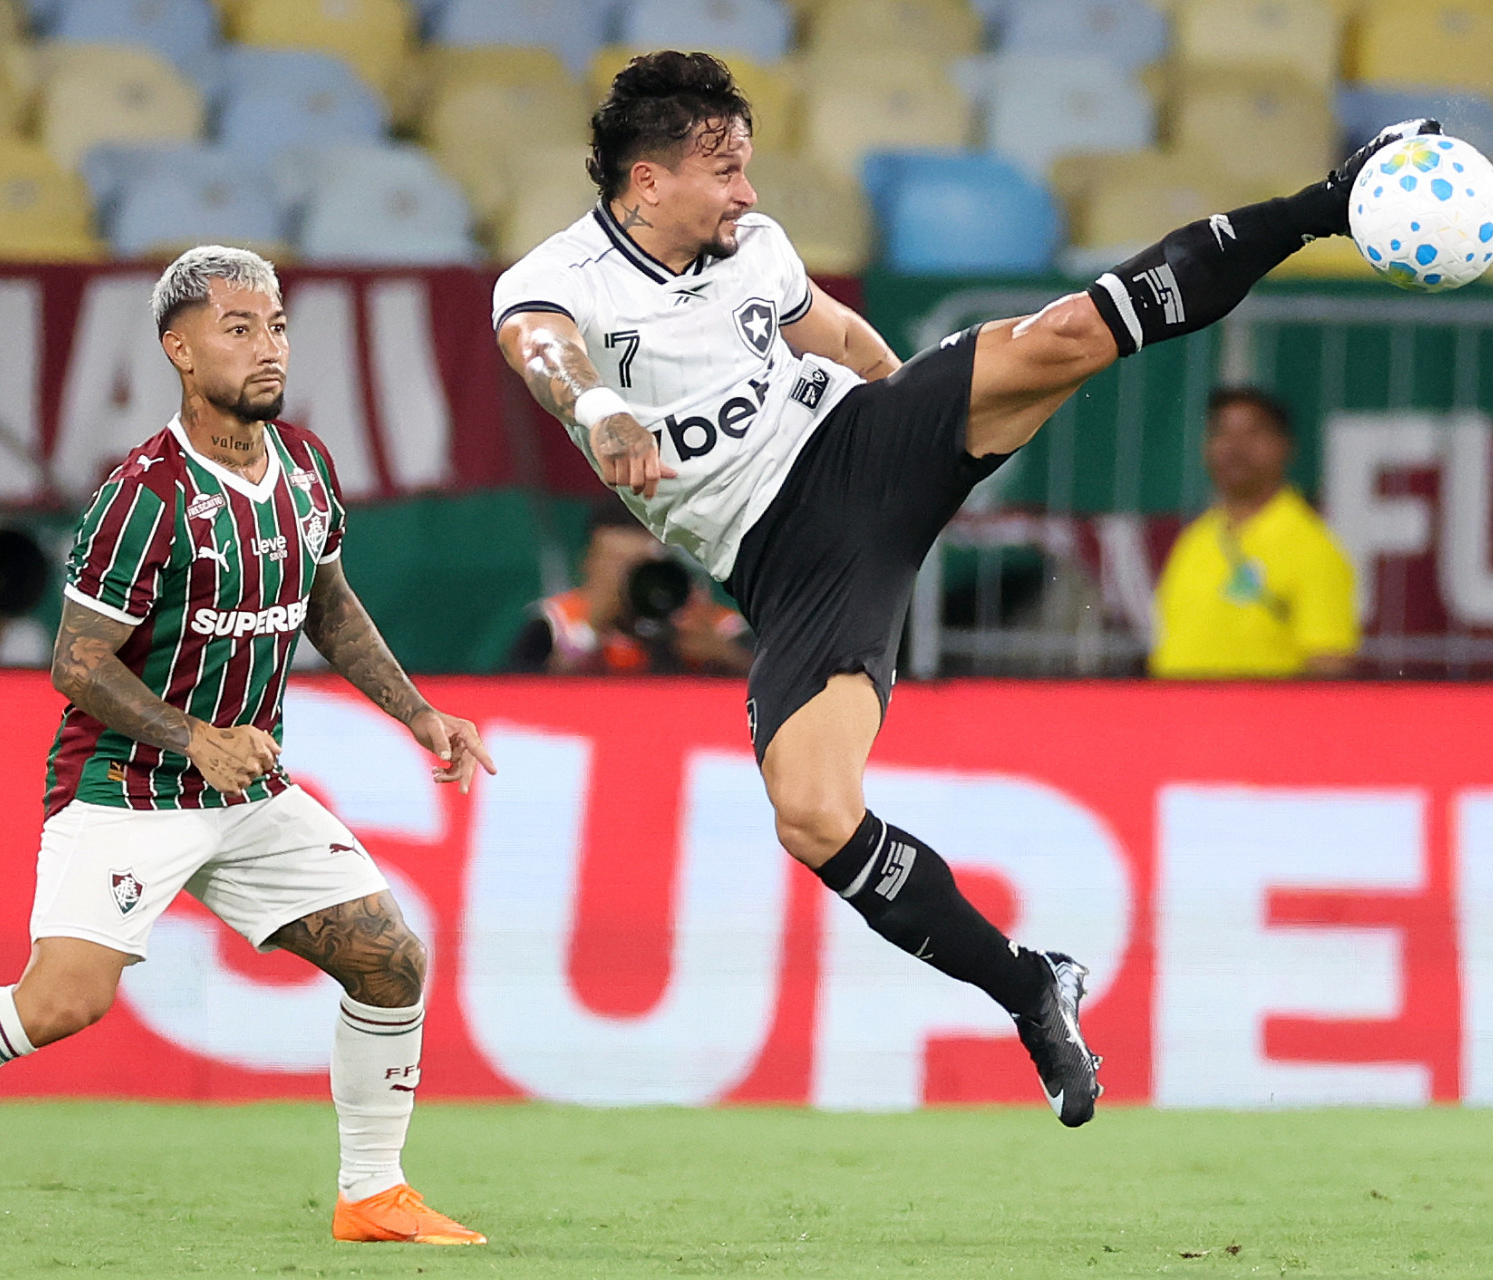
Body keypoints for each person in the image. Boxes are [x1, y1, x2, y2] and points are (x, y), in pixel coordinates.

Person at [495, 49, 1434, 1128]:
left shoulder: (754, 246)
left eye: (748, 168)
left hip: (859, 448)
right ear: (647, 181)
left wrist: (920, 418)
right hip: (787, 563)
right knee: (811, 812)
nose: (748, 193)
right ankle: (1033, 987)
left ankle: (1331, 201)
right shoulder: (552, 281)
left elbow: (834, 336)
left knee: (1078, 330)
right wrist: (599, 411)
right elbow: (542, 351)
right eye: (725, 171)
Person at [0, 247, 496, 1247]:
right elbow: (78, 664)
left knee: (389, 961)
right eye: (238, 328)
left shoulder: (305, 465)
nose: (267, 347)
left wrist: (419, 712)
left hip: (247, 790)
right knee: (62, 1002)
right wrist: (195, 736)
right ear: (179, 347)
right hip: (127, 788)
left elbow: (328, 606)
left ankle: (372, 1192)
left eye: (278, 326)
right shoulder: (143, 493)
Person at [1150, 387, 1359, 678]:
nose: (1235, 447)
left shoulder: (1312, 546)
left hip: (1257, 721)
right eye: (1221, 433)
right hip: (1176, 716)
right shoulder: (1196, 539)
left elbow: (1329, 662)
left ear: (1285, 446)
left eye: (1253, 433)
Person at [504, 496, 752, 674]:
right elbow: (520, 700)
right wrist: (588, 632)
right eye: (616, 563)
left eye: (640, 565)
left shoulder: (706, 622)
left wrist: (724, 655)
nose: (627, 577)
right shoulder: (557, 625)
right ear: (588, 563)